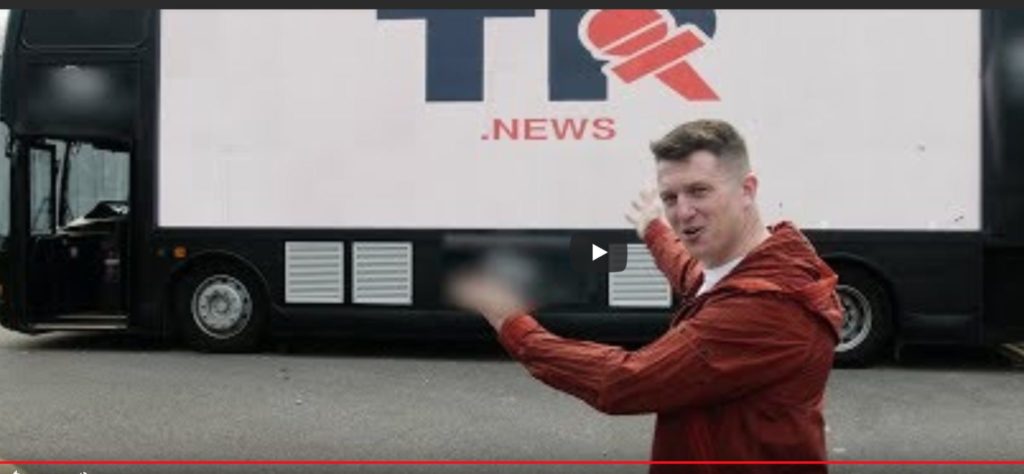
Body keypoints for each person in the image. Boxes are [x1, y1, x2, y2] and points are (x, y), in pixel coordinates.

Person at [449, 119, 844, 473]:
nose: (683, 212)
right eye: (670, 198)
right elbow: (692, 276)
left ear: (747, 190)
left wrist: (512, 324)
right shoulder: (757, 265)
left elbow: (622, 381)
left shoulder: (766, 307)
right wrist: (654, 230)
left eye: (699, 191)